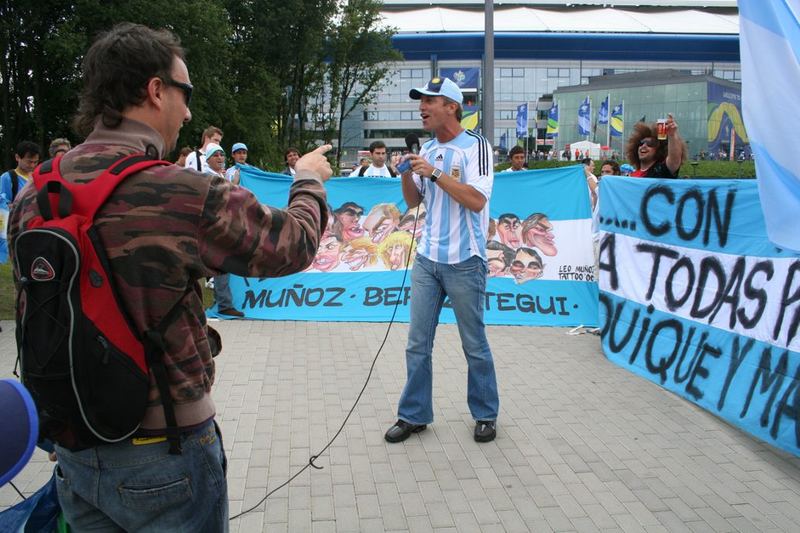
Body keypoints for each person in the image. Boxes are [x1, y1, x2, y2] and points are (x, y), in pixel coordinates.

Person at [7, 23, 331, 531]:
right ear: (156, 90)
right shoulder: (180, 191)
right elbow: (292, 246)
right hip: (166, 452)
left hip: (73, 450)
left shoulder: (36, 193)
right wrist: (309, 180)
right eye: (186, 93)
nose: (189, 112)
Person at [384, 76, 499, 444]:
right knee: (417, 343)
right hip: (427, 260)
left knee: (473, 343)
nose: (422, 106)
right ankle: (413, 415)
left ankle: (485, 414)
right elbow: (415, 202)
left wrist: (433, 173)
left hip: (466, 260)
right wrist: (406, 172)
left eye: (429, 100)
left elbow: (477, 200)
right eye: (420, 101)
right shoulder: (429, 149)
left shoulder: (475, 147)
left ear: (452, 106)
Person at [625, 114, 688, 178]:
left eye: (650, 143)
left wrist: (672, 135)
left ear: (659, 150)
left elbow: (674, 159)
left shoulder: (661, 170)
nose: (643, 146)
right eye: (641, 143)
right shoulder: (631, 176)